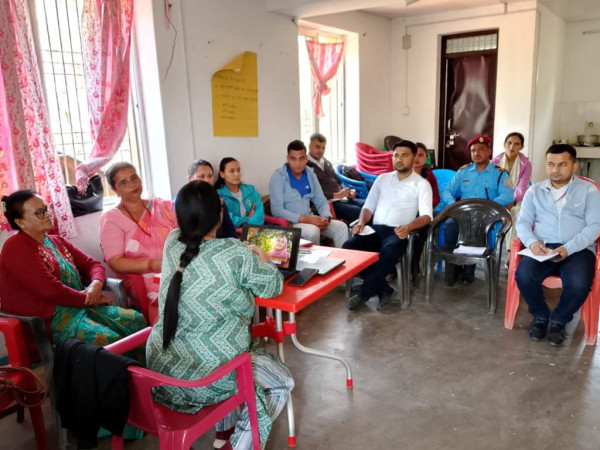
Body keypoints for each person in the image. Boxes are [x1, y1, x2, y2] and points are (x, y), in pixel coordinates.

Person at [146, 181, 293, 450]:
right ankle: (236, 444)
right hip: (208, 379)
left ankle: (223, 433)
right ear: (220, 215)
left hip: (162, 372)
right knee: (282, 382)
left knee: (225, 352)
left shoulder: (172, 242)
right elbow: (273, 286)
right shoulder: (234, 252)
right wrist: (262, 259)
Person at [0, 190, 146, 345]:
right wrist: (89, 299)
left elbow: (93, 264)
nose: (47, 214)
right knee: (108, 338)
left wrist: (95, 286)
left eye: (46, 208)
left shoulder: (56, 241)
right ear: (21, 222)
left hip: (81, 307)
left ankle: (145, 362)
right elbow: (49, 289)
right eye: (39, 212)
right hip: (51, 321)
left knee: (136, 319)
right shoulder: (16, 246)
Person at [515, 144, 600, 346]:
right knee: (524, 276)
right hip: (543, 248)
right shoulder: (534, 191)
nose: (555, 170)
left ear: (574, 166)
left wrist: (568, 248)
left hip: (578, 249)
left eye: (562, 164)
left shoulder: (589, 190)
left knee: (579, 283)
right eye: (550, 164)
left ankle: (560, 320)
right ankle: (540, 316)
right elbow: (522, 222)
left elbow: (595, 226)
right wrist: (532, 243)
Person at [344, 140, 433, 311]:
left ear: (414, 158)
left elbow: (426, 216)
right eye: (396, 155)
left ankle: (363, 294)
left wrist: (408, 227)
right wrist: (361, 223)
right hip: (374, 229)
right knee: (349, 247)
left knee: (390, 251)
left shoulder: (421, 184)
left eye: (404, 155)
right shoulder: (382, 179)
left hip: (398, 232)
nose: (399, 159)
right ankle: (383, 289)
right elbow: (368, 206)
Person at [99, 162, 177, 323]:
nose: (132, 184)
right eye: (123, 182)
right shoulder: (112, 218)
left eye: (134, 178)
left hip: (176, 265)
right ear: (114, 189)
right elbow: (115, 262)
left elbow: (185, 233)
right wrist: (153, 265)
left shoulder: (163, 207)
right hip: (142, 276)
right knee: (173, 294)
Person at [440, 135, 514, 286]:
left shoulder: (499, 173)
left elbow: (508, 195)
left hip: (488, 215)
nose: (476, 153)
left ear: (489, 151)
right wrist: (453, 204)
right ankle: (452, 269)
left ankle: (469, 269)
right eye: (473, 150)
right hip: (463, 213)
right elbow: (447, 190)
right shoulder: (464, 171)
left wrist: (487, 206)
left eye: (480, 149)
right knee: (449, 227)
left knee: (476, 228)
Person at [269, 140, 349, 247]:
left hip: (311, 218)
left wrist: (326, 218)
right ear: (287, 158)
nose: (297, 163)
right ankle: (318, 258)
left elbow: (321, 201)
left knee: (341, 227)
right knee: (313, 231)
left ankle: (341, 257)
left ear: (306, 159)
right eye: (293, 158)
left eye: (301, 158)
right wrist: (306, 220)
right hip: (291, 223)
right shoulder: (278, 177)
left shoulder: (310, 174)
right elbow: (277, 210)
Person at [306, 133, 364, 223]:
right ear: (310, 146)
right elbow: (310, 193)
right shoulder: (305, 166)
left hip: (342, 198)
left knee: (368, 206)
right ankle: (360, 230)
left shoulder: (326, 162)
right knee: (358, 212)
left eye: (323, 147)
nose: (321, 150)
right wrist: (336, 195)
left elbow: (338, 181)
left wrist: (348, 191)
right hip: (328, 203)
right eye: (317, 147)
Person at [491, 132, 532, 252]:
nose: (512, 147)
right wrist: (501, 200)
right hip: (497, 198)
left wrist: (512, 201)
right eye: (509, 143)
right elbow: (491, 186)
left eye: (516, 144)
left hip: (516, 199)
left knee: (515, 212)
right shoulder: (494, 162)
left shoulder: (526, 164)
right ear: (504, 144)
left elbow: (522, 186)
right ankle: (490, 248)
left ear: (521, 147)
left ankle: (510, 251)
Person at [410, 142, 441, 283]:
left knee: (420, 232)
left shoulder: (428, 175)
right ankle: (393, 268)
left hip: (423, 213)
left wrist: (424, 207)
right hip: (405, 212)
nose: (417, 158)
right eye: (414, 154)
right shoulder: (403, 172)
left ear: (426, 158)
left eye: (420, 155)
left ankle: (414, 267)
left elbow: (436, 197)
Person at [187, 159, 238, 239]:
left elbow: (228, 228)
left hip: (221, 243)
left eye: (210, 176)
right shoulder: (183, 201)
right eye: (202, 176)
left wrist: (237, 244)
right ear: (190, 179)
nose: (207, 180)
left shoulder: (218, 199)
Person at [215, 157, 265, 227]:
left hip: (255, 230)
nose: (237, 174)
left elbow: (260, 217)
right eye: (232, 171)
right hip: (233, 233)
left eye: (238, 170)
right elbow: (228, 220)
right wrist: (248, 218)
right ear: (222, 174)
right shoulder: (219, 195)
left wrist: (244, 223)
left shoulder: (251, 190)